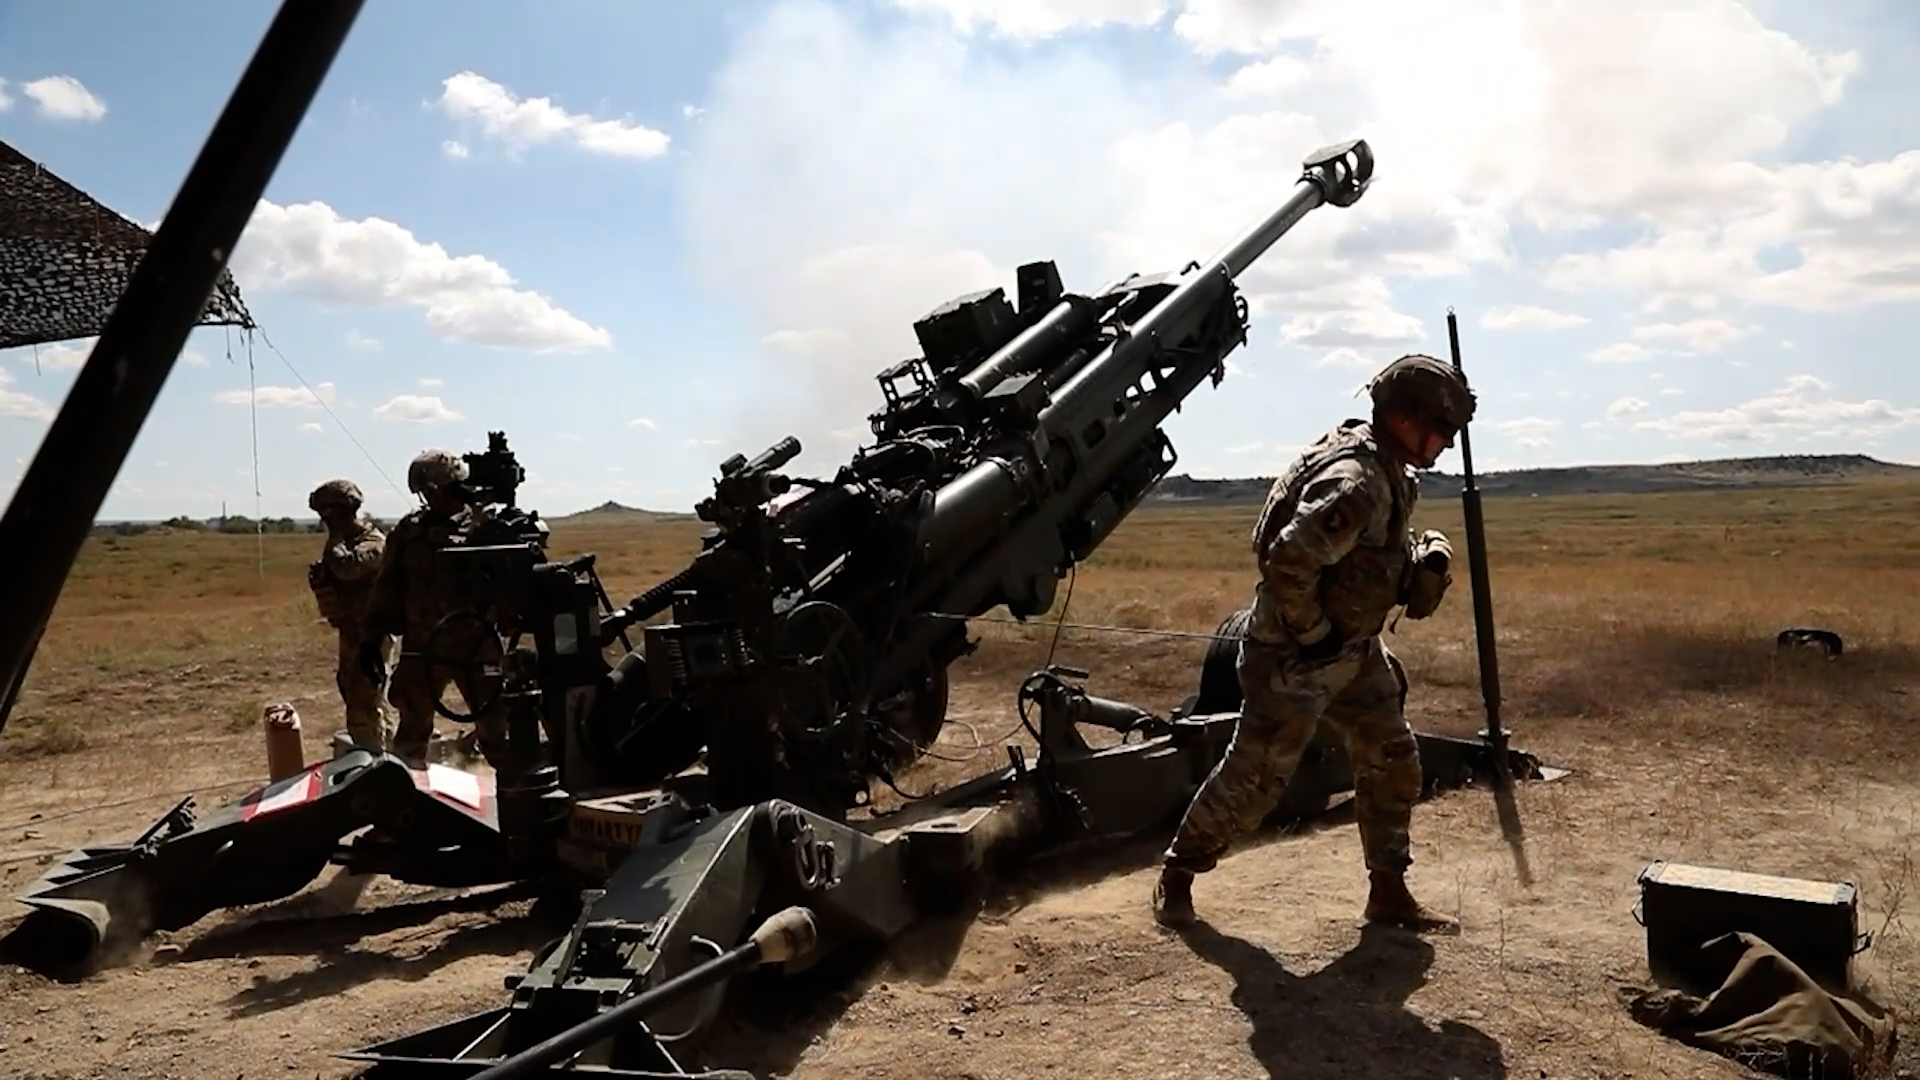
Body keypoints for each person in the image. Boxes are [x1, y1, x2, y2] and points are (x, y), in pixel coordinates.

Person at [1152, 353, 1477, 933]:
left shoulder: (1386, 466)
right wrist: (1315, 635)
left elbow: (1362, 559)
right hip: (1295, 657)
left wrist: (1418, 563)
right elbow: (1288, 560)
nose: (1446, 445)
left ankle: (1388, 893)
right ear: (1405, 419)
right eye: (1442, 429)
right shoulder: (1357, 484)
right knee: (1254, 782)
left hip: (1352, 653)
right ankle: (1178, 872)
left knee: (1393, 759)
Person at [358, 449, 509, 769]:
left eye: (432, 491)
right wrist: (371, 637)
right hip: (422, 647)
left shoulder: (487, 526)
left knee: (498, 731)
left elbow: (510, 581)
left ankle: (510, 802)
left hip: (478, 646)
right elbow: (386, 586)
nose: (428, 500)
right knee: (412, 732)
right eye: (422, 494)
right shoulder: (410, 530)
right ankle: (406, 798)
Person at [306, 479, 393, 752]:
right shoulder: (345, 541)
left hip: (372, 634)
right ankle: (384, 751)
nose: (324, 521)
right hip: (351, 628)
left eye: (327, 514)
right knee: (356, 691)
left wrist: (334, 542)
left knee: (365, 698)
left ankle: (376, 759)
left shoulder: (373, 543)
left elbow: (347, 568)